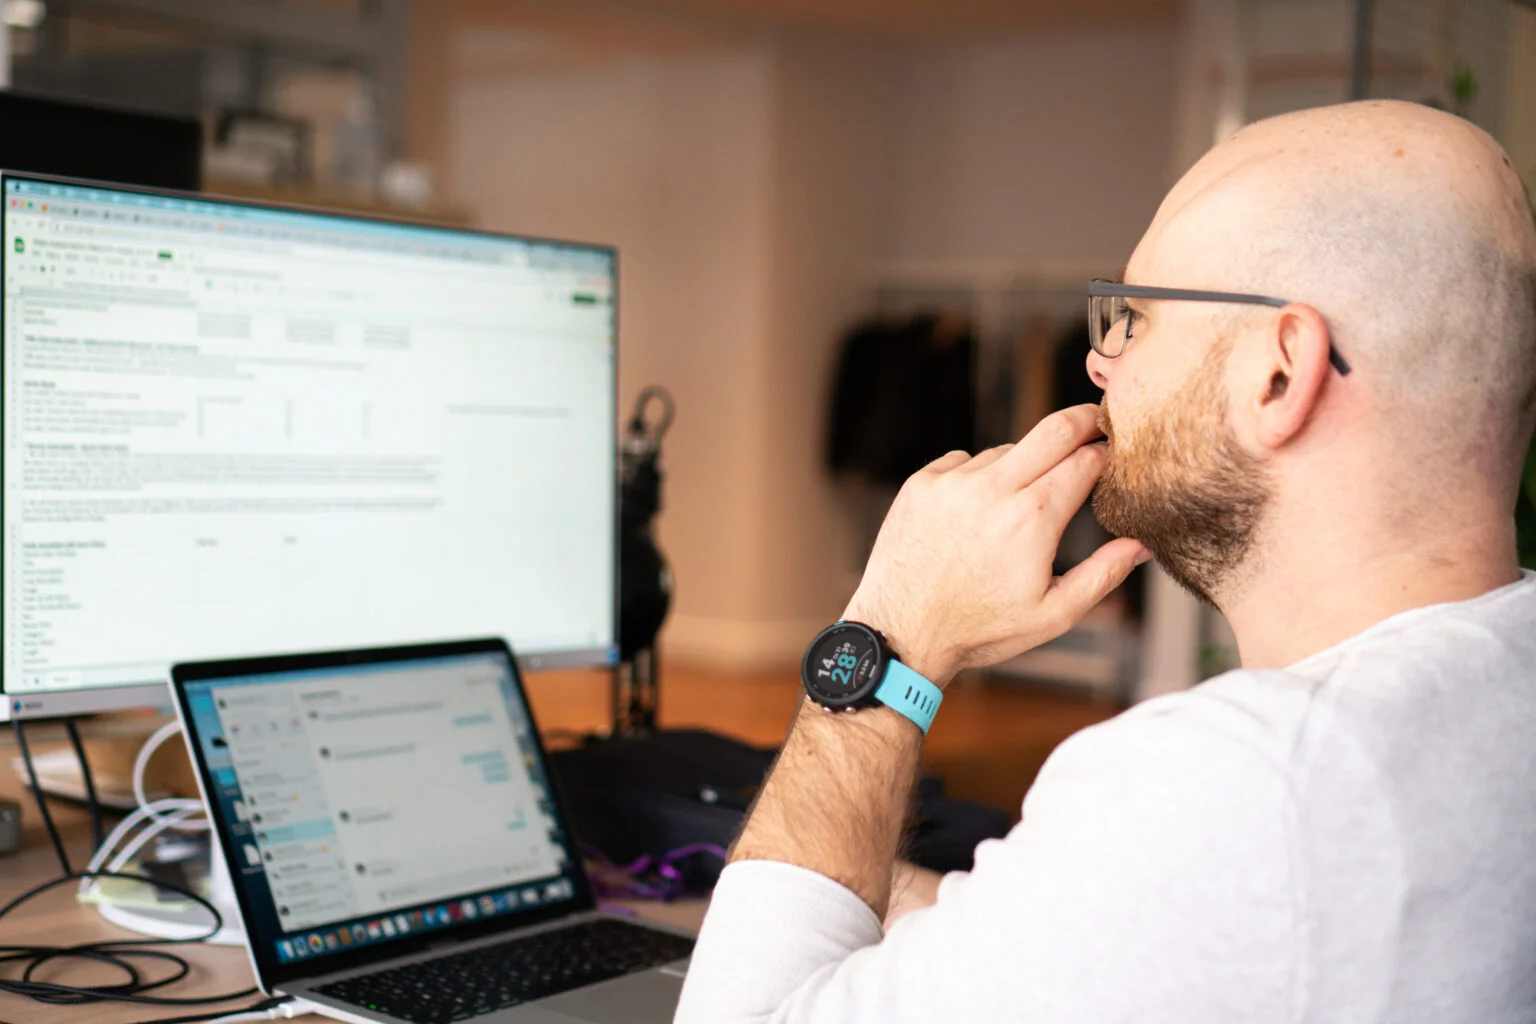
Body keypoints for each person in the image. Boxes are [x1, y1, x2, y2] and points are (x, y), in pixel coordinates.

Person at [674, 99, 1536, 1022]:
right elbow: (1139, 941)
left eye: (1136, 318)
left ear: (1278, 374)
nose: (1098, 362)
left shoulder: (1238, 784)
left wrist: (892, 632)